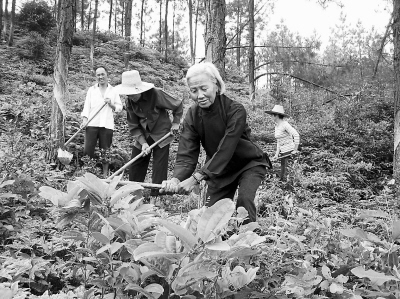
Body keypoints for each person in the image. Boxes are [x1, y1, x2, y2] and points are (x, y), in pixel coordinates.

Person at [160, 62, 271, 223]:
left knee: (244, 202)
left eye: (204, 89)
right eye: (194, 90)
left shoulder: (235, 110)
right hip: (220, 170)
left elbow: (226, 148)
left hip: (248, 164)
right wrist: (175, 179)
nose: (200, 95)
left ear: (217, 86)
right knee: (211, 216)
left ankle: (248, 243)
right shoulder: (192, 116)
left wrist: (196, 178)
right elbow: (186, 154)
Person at [115, 70, 183, 197]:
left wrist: (176, 123)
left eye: (133, 93)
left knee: (159, 167)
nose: (131, 96)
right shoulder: (129, 101)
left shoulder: (156, 94)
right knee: (136, 164)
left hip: (161, 133)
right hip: (143, 134)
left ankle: (157, 197)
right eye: (128, 94)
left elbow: (177, 104)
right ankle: (133, 195)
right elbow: (133, 125)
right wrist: (143, 143)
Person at [81, 66, 123, 177]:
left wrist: (111, 104)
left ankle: (105, 175)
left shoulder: (113, 91)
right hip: (92, 123)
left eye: (102, 74)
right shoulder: (91, 90)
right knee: (88, 149)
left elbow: (119, 108)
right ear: (96, 77)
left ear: (107, 74)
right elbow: (87, 106)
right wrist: (85, 119)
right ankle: (87, 173)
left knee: (105, 151)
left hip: (107, 125)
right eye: (98, 75)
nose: (100, 77)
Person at [265, 105, 300, 181]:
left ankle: (290, 191)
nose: (271, 117)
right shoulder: (277, 126)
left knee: (288, 175)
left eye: (272, 115)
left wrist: (295, 149)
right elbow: (279, 141)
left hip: (290, 152)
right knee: (283, 175)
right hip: (283, 152)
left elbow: (296, 134)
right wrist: (276, 154)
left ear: (276, 116)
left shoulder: (285, 124)